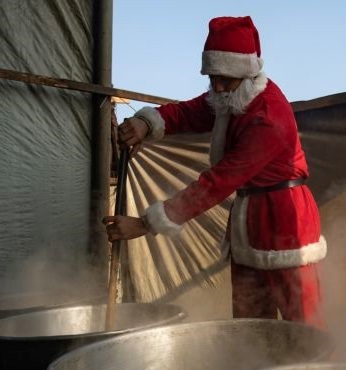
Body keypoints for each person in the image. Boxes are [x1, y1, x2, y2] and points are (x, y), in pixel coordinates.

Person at [105, 16, 326, 327]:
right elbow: (190, 111)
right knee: (251, 328)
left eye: (226, 79)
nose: (218, 88)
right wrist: (146, 123)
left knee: (303, 324)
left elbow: (218, 183)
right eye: (213, 78)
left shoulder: (268, 116)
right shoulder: (231, 94)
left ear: (248, 74)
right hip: (250, 220)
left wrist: (144, 224)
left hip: (286, 220)